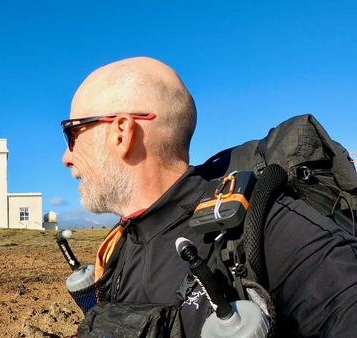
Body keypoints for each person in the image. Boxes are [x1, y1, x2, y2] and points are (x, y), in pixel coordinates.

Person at [60, 57, 357, 337]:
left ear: (121, 132)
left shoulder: (266, 227)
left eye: (72, 134)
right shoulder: (117, 250)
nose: (66, 157)